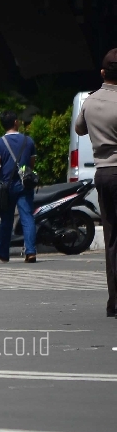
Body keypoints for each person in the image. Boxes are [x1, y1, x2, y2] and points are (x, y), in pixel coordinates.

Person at [75, 48, 117, 317]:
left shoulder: (89, 102)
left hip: (103, 174)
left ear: (102, 73)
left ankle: (114, 301)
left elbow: (80, 128)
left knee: (112, 238)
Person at [0, 110, 37, 264]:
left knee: (6, 220)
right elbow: (31, 164)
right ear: (16, 122)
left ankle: (4, 253)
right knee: (27, 217)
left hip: (7, 186)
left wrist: (3, 169)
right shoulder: (28, 141)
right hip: (25, 184)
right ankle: (30, 252)